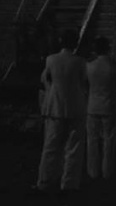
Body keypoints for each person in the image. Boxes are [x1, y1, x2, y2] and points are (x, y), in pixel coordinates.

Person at [35, 28, 88, 194]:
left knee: (50, 146)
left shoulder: (51, 60)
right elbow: (84, 84)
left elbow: (45, 79)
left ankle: (45, 180)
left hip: (55, 106)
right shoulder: (80, 62)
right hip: (75, 106)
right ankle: (69, 183)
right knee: (73, 148)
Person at [86, 36, 116, 180]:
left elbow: (85, 86)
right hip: (108, 105)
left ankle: (93, 171)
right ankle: (107, 171)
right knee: (109, 139)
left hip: (92, 105)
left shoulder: (89, 66)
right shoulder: (114, 66)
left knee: (92, 139)